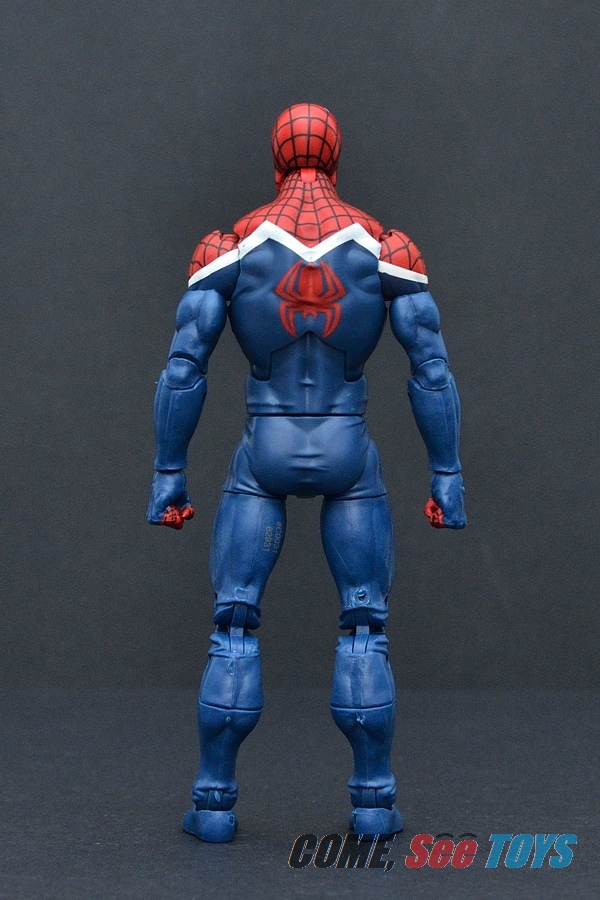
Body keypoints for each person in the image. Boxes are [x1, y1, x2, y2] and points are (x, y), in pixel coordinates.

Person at [147, 103, 466, 843]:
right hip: (348, 448)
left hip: (266, 446)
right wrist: (446, 473)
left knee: (234, 622)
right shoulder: (385, 247)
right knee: (365, 623)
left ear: (277, 160)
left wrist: (168, 471)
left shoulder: (232, 246)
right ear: (336, 158)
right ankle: (374, 804)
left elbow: (184, 366)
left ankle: (214, 805)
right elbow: (430, 367)